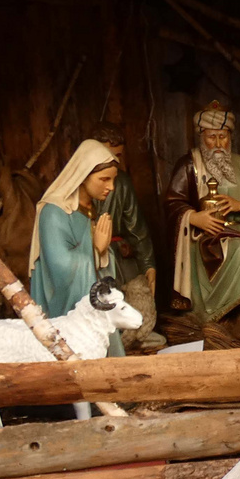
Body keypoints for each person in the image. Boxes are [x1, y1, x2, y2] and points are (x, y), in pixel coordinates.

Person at [164, 101, 240, 323]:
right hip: (199, 233)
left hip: (235, 230)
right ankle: (201, 317)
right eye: (212, 137)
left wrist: (238, 205)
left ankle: (236, 316)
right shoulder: (189, 165)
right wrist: (195, 217)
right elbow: (173, 203)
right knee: (193, 251)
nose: (218, 143)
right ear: (202, 137)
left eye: (223, 136)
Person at [29, 139, 124, 359]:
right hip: (63, 313)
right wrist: (94, 249)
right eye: (104, 179)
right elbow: (60, 269)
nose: (111, 187)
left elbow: (98, 262)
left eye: (113, 179)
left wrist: (102, 251)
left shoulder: (89, 209)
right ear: (83, 175)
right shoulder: (53, 212)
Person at [85, 121, 164, 351]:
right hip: (88, 254)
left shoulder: (123, 183)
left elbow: (137, 228)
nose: (112, 162)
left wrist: (148, 264)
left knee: (137, 286)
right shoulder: (76, 187)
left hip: (117, 253)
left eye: (117, 156)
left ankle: (137, 331)